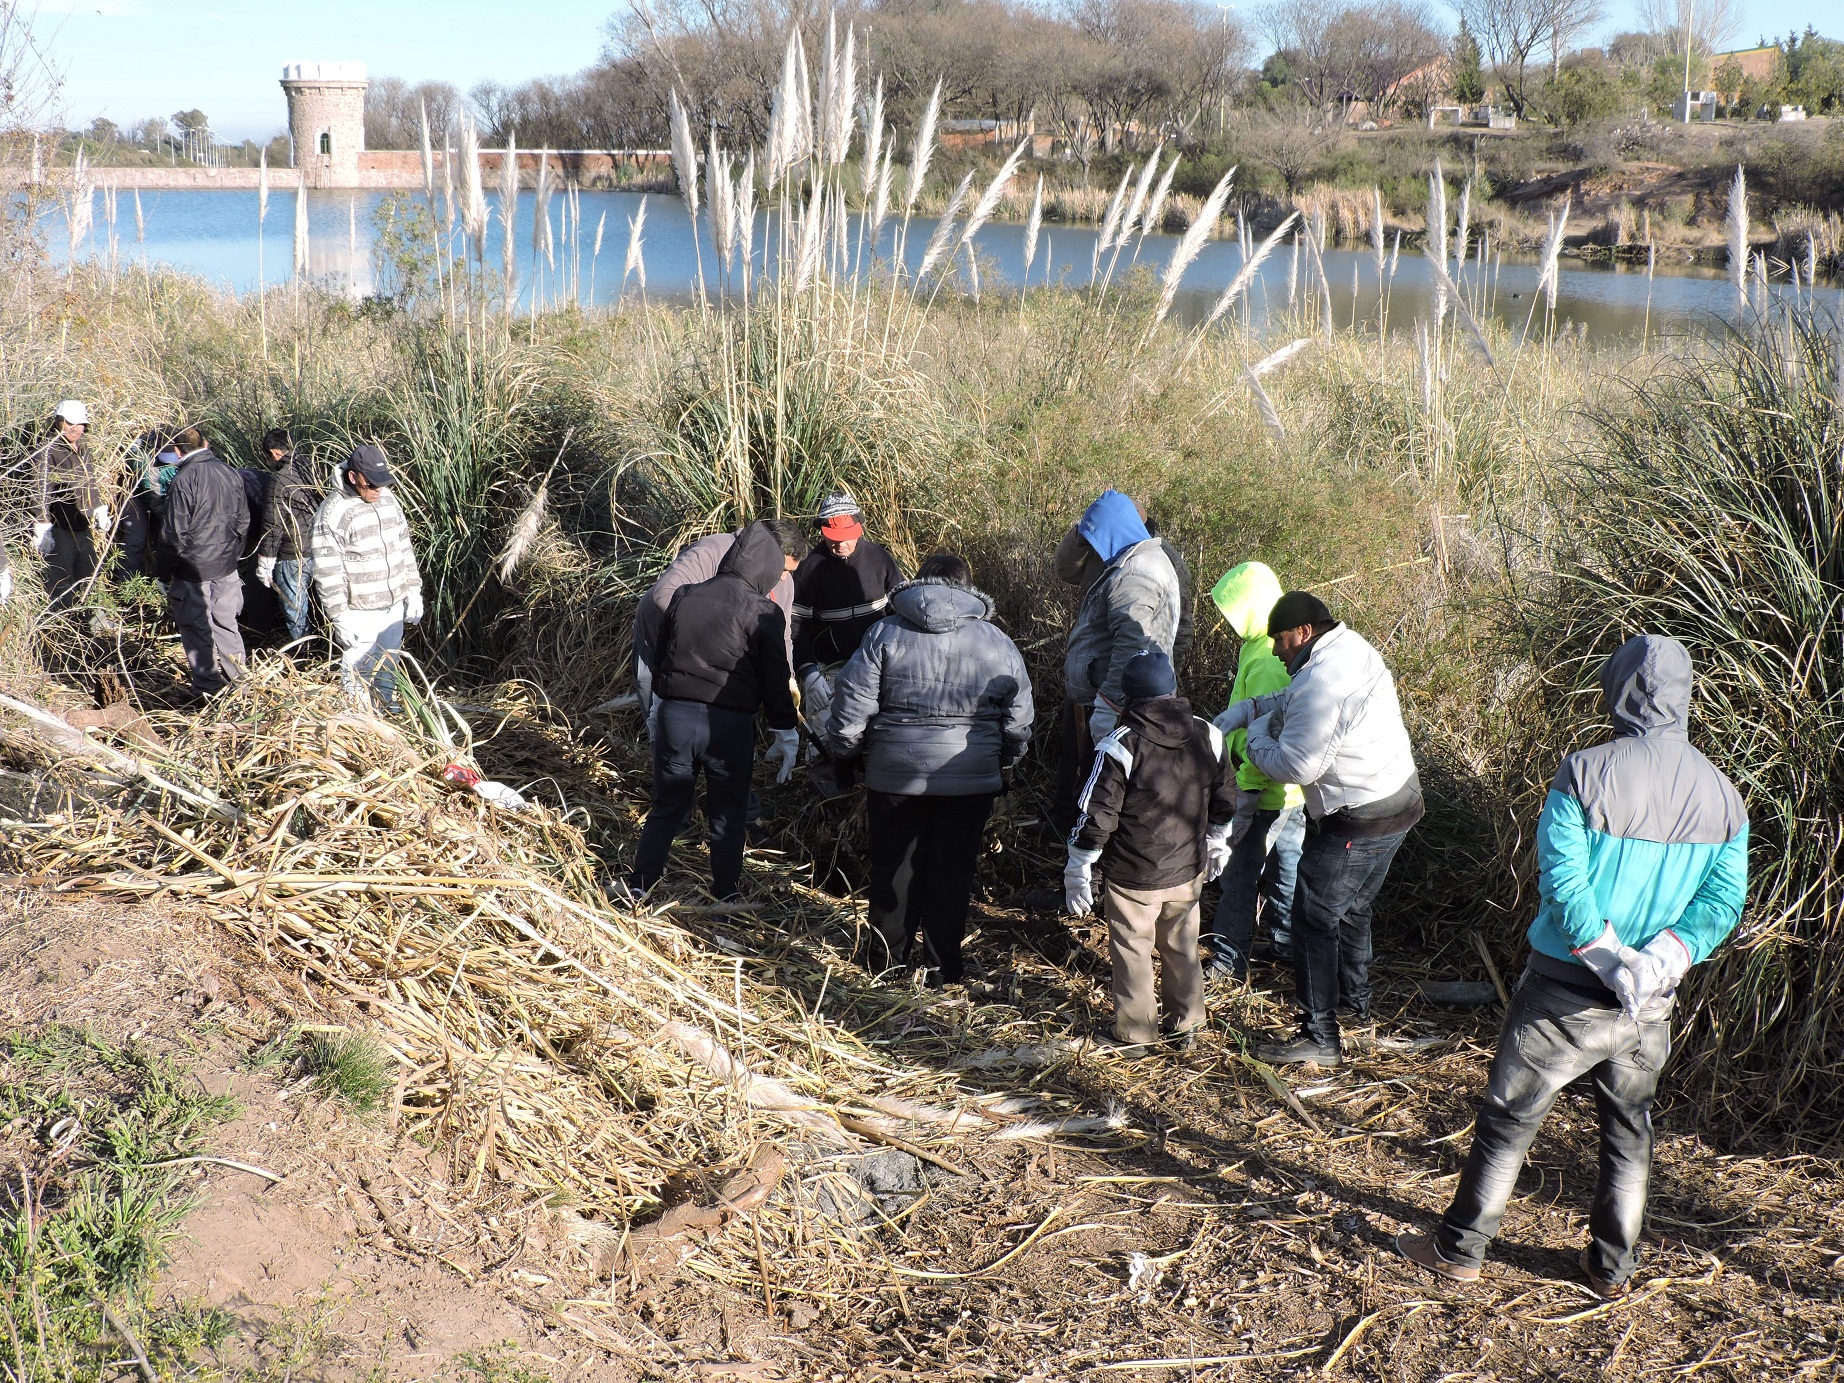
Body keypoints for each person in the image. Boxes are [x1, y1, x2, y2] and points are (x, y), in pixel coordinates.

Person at [1398, 635, 1747, 1298]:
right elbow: (1724, 897)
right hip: (1652, 1000)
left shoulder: (1584, 771)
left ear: (1618, 690)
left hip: (1564, 987)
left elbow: (1564, 881)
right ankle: (1610, 1267)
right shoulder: (1723, 795)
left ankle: (1460, 1248)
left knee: (1509, 1116)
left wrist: (1606, 954)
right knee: (1628, 1128)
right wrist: (1662, 957)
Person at [1220, 590, 1422, 1066]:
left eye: (1280, 639)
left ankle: (1320, 1036)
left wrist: (1250, 741)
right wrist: (1245, 712)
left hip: (1361, 815)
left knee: (1314, 917)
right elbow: (1292, 698)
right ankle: (1358, 1006)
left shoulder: (1321, 678)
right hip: (1401, 799)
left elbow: (1296, 765)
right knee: (1353, 908)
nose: (1274, 650)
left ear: (1304, 633)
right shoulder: (1349, 648)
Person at [826, 552, 1034, 985]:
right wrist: (1006, 762)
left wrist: (847, 752)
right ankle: (943, 970)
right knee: (952, 872)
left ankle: (883, 966)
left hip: (894, 773)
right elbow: (1018, 718)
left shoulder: (883, 632)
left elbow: (851, 706)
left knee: (894, 868)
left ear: (919, 583)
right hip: (970, 777)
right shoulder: (995, 641)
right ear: (968, 588)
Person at [1065, 649, 1237, 1051]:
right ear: (1172, 689)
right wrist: (1217, 839)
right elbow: (1226, 796)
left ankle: (1137, 1032)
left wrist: (1079, 866)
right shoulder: (1208, 733)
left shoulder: (1119, 745)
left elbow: (1096, 813)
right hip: (1188, 868)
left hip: (1133, 876)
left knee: (1132, 951)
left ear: (1128, 697)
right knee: (1182, 946)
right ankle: (1188, 1022)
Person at [631, 521, 802, 901]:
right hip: (726, 725)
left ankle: (640, 884)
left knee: (666, 807)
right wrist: (785, 730)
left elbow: (663, 655)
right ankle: (726, 893)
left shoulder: (687, 595)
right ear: (768, 565)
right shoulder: (763, 611)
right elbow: (775, 679)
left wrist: (661, 701)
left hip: (676, 717)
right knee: (726, 815)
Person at [1053, 489, 1182, 834]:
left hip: (1112, 698)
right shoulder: (1128, 558)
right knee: (1091, 781)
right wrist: (1081, 530)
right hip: (1102, 690)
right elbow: (1065, 568)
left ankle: (1088, 863)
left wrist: (1109, 706)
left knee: (1102, 788)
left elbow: (1133, 644)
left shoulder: (1135, 574)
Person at [1202, 561, 1307, 980]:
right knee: (1286, 868)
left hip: (1261, 788)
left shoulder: (1266, 657)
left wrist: (1243, 789)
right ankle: (1282, 942)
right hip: (1291, 794)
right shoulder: (1268, 645)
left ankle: (1228, 959)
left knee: (1240, 873)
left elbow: (1267, 732)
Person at [633, 518, 809, 719]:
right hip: (660, 647)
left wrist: (788, 680)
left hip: (716, 666)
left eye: (790, 571)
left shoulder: (784, 584)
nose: (784, 578)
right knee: (659, 722)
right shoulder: (711, 551)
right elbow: (663, 594)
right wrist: (719, 637)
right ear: (767, 553)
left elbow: (783, 635)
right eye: (783, 569)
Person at [310, 443, 422, 709]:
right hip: (359, 611)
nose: (377, 490)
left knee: (389, 666)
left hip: (393, 605)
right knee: (357, 674)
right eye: (371, 485)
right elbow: (327, 568)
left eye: (382, 484)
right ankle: (361, 724)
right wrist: (339, 615)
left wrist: (413, 590)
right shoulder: (334, 511)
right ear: (353, 477)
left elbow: (403, 545)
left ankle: (387, 712)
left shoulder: (388, 499)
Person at [790, 489, 904, 730]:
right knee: (825, 737)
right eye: (833, 535)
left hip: (877, 665)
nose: (840, 543)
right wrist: (809, 673)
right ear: (821, 530)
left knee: (877, 735)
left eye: (847, 535)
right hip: (828, 670)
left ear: (859, 527)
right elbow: (796, 628)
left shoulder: (880, 560)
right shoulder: (809, 570)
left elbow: (902, 613)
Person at [157, 426, 251, 699]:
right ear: (206, 443)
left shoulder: (183, 479)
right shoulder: (229, 471)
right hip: (226, 565)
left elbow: (174, 533)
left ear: (177, 451)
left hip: (192, 570)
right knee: (227, 624)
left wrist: (163, 573)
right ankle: (241, 686)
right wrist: (233, 555)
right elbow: (243, 521)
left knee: (197, 629)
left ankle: (208, 690)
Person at [30, 400, 106, 609]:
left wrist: (97, 507)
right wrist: (41, 525)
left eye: (80, 424)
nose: (76, 429)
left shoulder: (83, 448)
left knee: (89, 577)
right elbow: (40, 489)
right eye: (71, 423)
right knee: (60, 582)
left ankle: (93, 626)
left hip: (82, 525)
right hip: (60, 528)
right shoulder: (48, 450)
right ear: (59, 422)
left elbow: (89, 482)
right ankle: (61, 630)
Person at [253, 428, 322, 643]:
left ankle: (306, 651)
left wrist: (265, 562)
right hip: (320, 548)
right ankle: (326, 647)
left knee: (296, 609)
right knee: (322, 604)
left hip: (293, 555)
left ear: (274, 453)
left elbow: (273, 525)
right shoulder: (313, 466)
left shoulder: (279, 479)